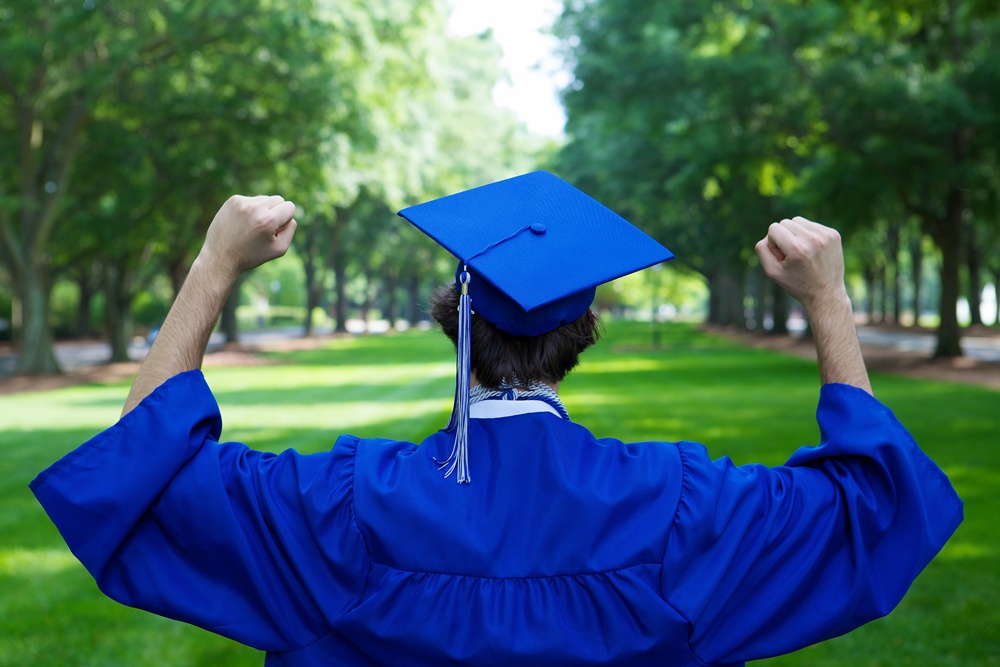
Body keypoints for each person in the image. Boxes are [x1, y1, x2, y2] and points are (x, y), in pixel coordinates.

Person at [31, 172, 962, 667]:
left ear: (455, 320)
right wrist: (828, 300)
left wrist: (213, 264)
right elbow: (876, 509)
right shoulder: (686, 510)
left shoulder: (336, 511)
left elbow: (141, 472)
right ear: (583, 332)